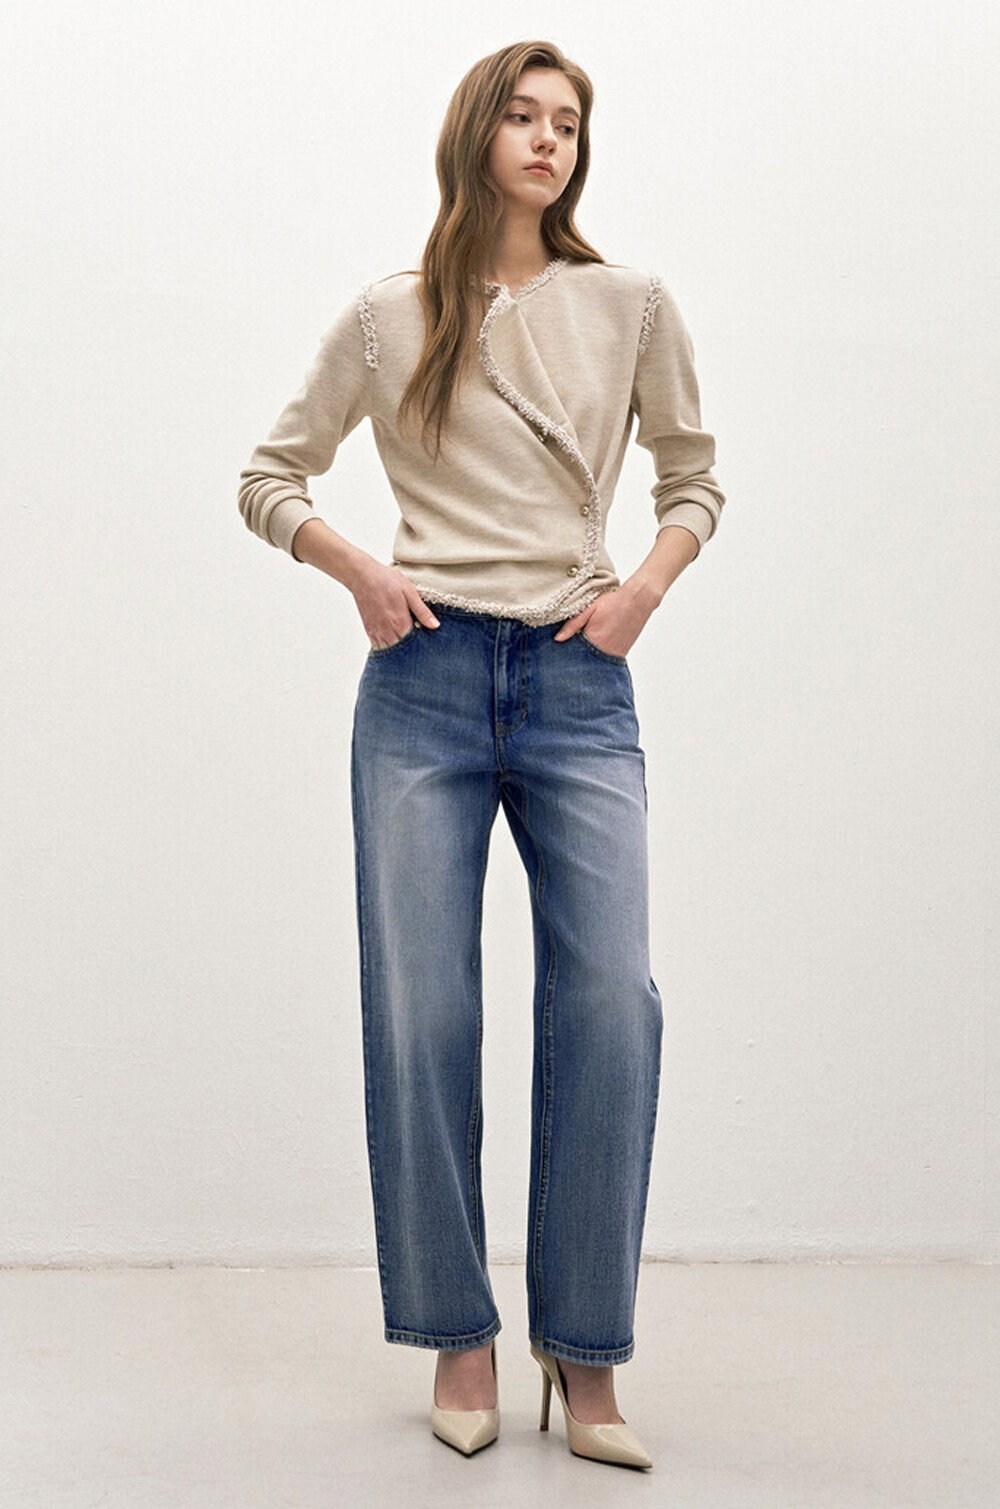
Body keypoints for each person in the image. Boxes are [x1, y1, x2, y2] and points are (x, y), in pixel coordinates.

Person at [237, 39, 725, 1470]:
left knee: (613, 1003)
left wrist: (640, 595)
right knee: (424, 1011)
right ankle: (458, 1333)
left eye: (568, 121)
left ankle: (586, 1351)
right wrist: (360, 573)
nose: (548, 139)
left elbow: (694, 478)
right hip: (426, 678)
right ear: (476, 133)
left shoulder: (631, 304)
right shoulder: (391, 314)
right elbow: (269, 475)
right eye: (523, 115)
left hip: (579, 680)